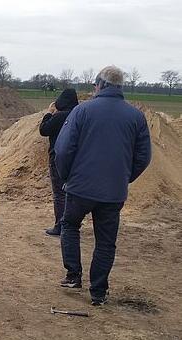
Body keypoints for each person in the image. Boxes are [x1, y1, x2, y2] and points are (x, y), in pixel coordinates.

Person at [54, 65, 151, 306]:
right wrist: (124, 177)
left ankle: (73, 276)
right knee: (106, 241)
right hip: (113, 193)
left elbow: (63, 149)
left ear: (100, 85)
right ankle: (98, 292)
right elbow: (143, 157)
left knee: (69, 226)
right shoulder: (136, 117)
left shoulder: (82, 111)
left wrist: (67, 177)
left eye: (95, 85)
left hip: (79, 188)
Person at [39, 88, 79, 236]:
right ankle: (71, 223)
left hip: (57, 158)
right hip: (76, 159)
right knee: (72, 193)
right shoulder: (78, 115)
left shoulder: (59, 116)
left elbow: (43, 130)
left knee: (59, 193)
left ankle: (60, 226)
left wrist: (49, 113)